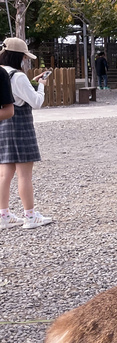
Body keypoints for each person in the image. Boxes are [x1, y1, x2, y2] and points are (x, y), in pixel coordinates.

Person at [0, 37, 53, 229]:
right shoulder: (18, 76)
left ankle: (3, 215)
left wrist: (31, 82)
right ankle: (29, 216)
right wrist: (41, 86)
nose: (25, 60)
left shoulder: (1, 72)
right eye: (24, 57)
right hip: (20, 125)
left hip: (3, 124)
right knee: (24, 174)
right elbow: (36, 102)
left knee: (5, 173)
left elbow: (11, 94)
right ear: (18, 57)